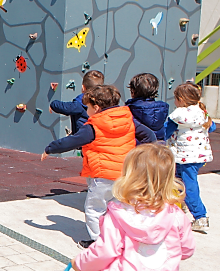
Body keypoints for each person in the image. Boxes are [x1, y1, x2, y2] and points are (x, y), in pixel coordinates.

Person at [73, 144, 195, 271]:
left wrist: (80, 263)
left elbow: (105, 251)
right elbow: (187, 249)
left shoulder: (118, 214)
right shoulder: (175, 214)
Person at [42, 85, 156, 248]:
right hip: (126, 173)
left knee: (94, 209)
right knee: (119, 207)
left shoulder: (94, 126)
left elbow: (72, 141)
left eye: (87, 107)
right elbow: (149, 135)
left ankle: (100, 243)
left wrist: (50, 148)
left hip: (102, 175)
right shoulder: (128, 118)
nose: (86, 110)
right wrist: (137, 155)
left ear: (96, 107)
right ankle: (122, 238)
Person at [165, 82, 215, 233]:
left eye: (175, 98)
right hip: (199, 155)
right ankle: (182, 204)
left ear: (181, 99)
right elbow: (212, 127)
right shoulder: (202, 112)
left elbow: (166, 132)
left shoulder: (179, 114)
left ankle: (200, 216)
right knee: (178, 179)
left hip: (186, 156)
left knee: (188, 185)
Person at [50, 70, 105, 134]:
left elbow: (66, 108)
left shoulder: (80, 103)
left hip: (81, 138)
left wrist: (53, 104)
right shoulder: (103, 103)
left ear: (83, 87)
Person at [126, 73, 169, 142]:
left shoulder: (130, 109)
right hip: (156, 148)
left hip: (138, 149)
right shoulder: (161, 110)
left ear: (133, 91)